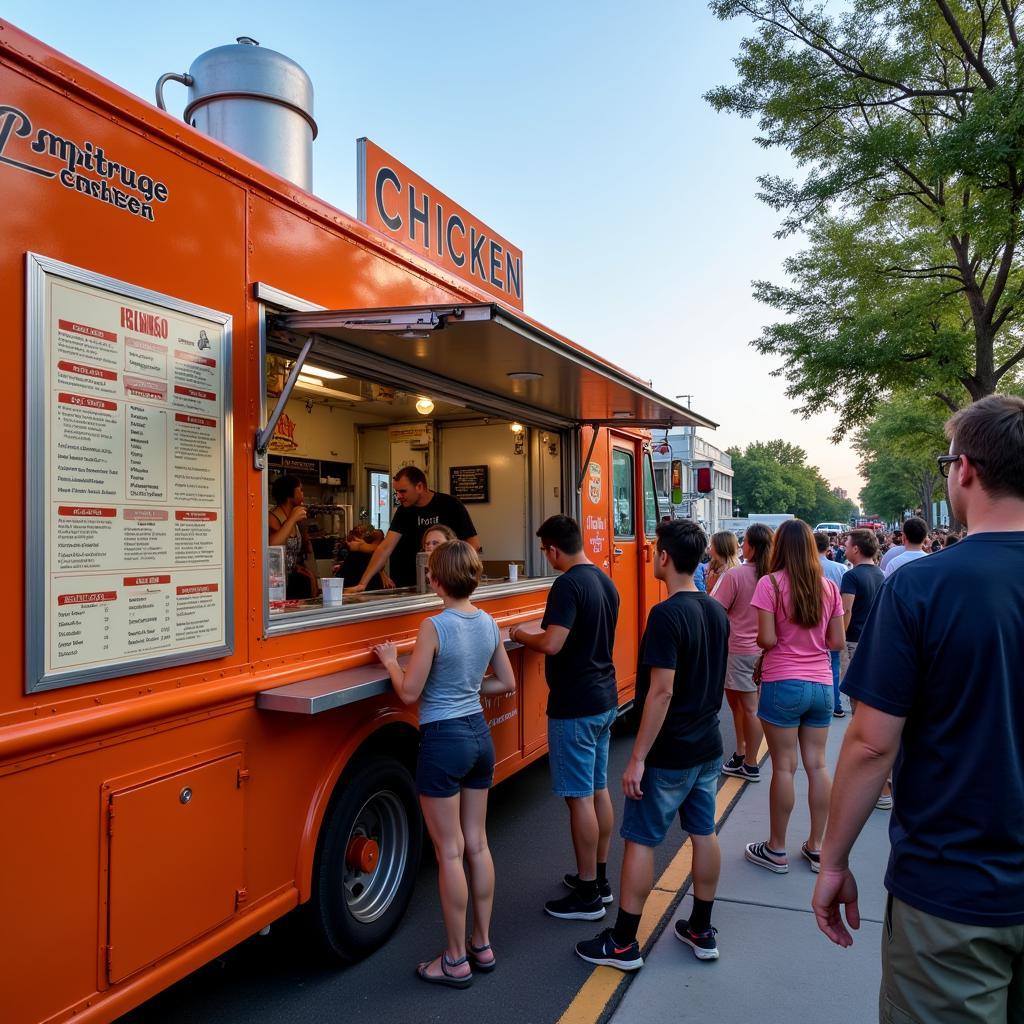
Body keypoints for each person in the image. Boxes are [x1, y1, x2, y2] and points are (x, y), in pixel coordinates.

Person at [813, 395, 1024, 1023]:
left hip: (951, 894)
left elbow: (872, 743)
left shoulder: (924, 586)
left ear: (964, 470)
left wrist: (833, 860)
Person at [574, 520, 729, 970]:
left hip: (670, 751)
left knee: (640, 840)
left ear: (664, 557)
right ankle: (701, 928)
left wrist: (637, 758)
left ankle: (623, 942)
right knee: (704, 834)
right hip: (707, 746)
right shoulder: (715, 611)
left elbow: (660, 692)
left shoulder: (665, 616)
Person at [372, 540, 516, 988]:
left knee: (449, 851)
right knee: (477, 844)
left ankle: (454, 960)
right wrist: (471, 690)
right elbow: (506, 682)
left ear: (434, 579)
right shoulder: (489, 622)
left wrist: (393, 663)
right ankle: (482, 943)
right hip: (479, 736)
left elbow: (410, 694)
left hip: (443, 740)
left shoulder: (434, 626)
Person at [509, 515, 620, 919]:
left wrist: (521, 635)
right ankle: (600, 879)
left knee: (578, 800)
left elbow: (553, 643)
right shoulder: (605, 581)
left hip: (575, 705)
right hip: (604, 698)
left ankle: (587, 893)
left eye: (545, 550)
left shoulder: (568, 585)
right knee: (597, 790)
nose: (546, 557)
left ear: (554, 549)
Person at [744, 519, 845, 874]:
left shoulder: (769, 584)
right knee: (818, 765)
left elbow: (767, 640)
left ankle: (776, 849)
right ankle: (817, 847)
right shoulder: (829, 587)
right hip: (821, 685)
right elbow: (836, 642)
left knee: (784, 766)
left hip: (782, 681)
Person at [350, 467, 480, 591]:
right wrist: (362, 584)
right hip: (407, 585)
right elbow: (385, 547)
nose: (398, 496)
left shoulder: (450, 505)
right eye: (396, 492)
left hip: (444, 583)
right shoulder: (403, 511)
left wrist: (455, 573)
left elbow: (473, 544)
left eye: (403, 491)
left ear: (419, 487)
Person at [714, 522, 773, 783]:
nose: (741, 545)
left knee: (746, 707)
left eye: (744, 541)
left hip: (738, 648)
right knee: (744, 706)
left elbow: (716, 611)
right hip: (766, 650)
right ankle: (742, 754)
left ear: (751, 546)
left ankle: (750, 762)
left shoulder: (735, 576)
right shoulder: (775, 576)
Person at [268, 474, 318, 599]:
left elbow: (303, 550)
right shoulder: (272, 518)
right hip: (275, 583)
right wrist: (292, 519)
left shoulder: (295, 518)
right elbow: (273, 545)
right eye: (300, 490)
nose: (303, 494)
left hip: (292, 578)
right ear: (290, 492)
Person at [815, 532, 846, 718]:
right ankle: (835, 704)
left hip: (810, 622)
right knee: (833, 664)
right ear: (829, 548)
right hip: (834, 619)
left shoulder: (802, 568)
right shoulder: (840, 569)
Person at [334, 526, 387, 590]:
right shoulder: (374, 559)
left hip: (356, 592)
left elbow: (340, 582)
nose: (349, 543)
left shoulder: (357, 555)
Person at [705, 530, 740, 596]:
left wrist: (710, 588)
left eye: (711, 544)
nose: (709, 547)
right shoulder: (715, 565)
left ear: (720, 547)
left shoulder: (729, 572)